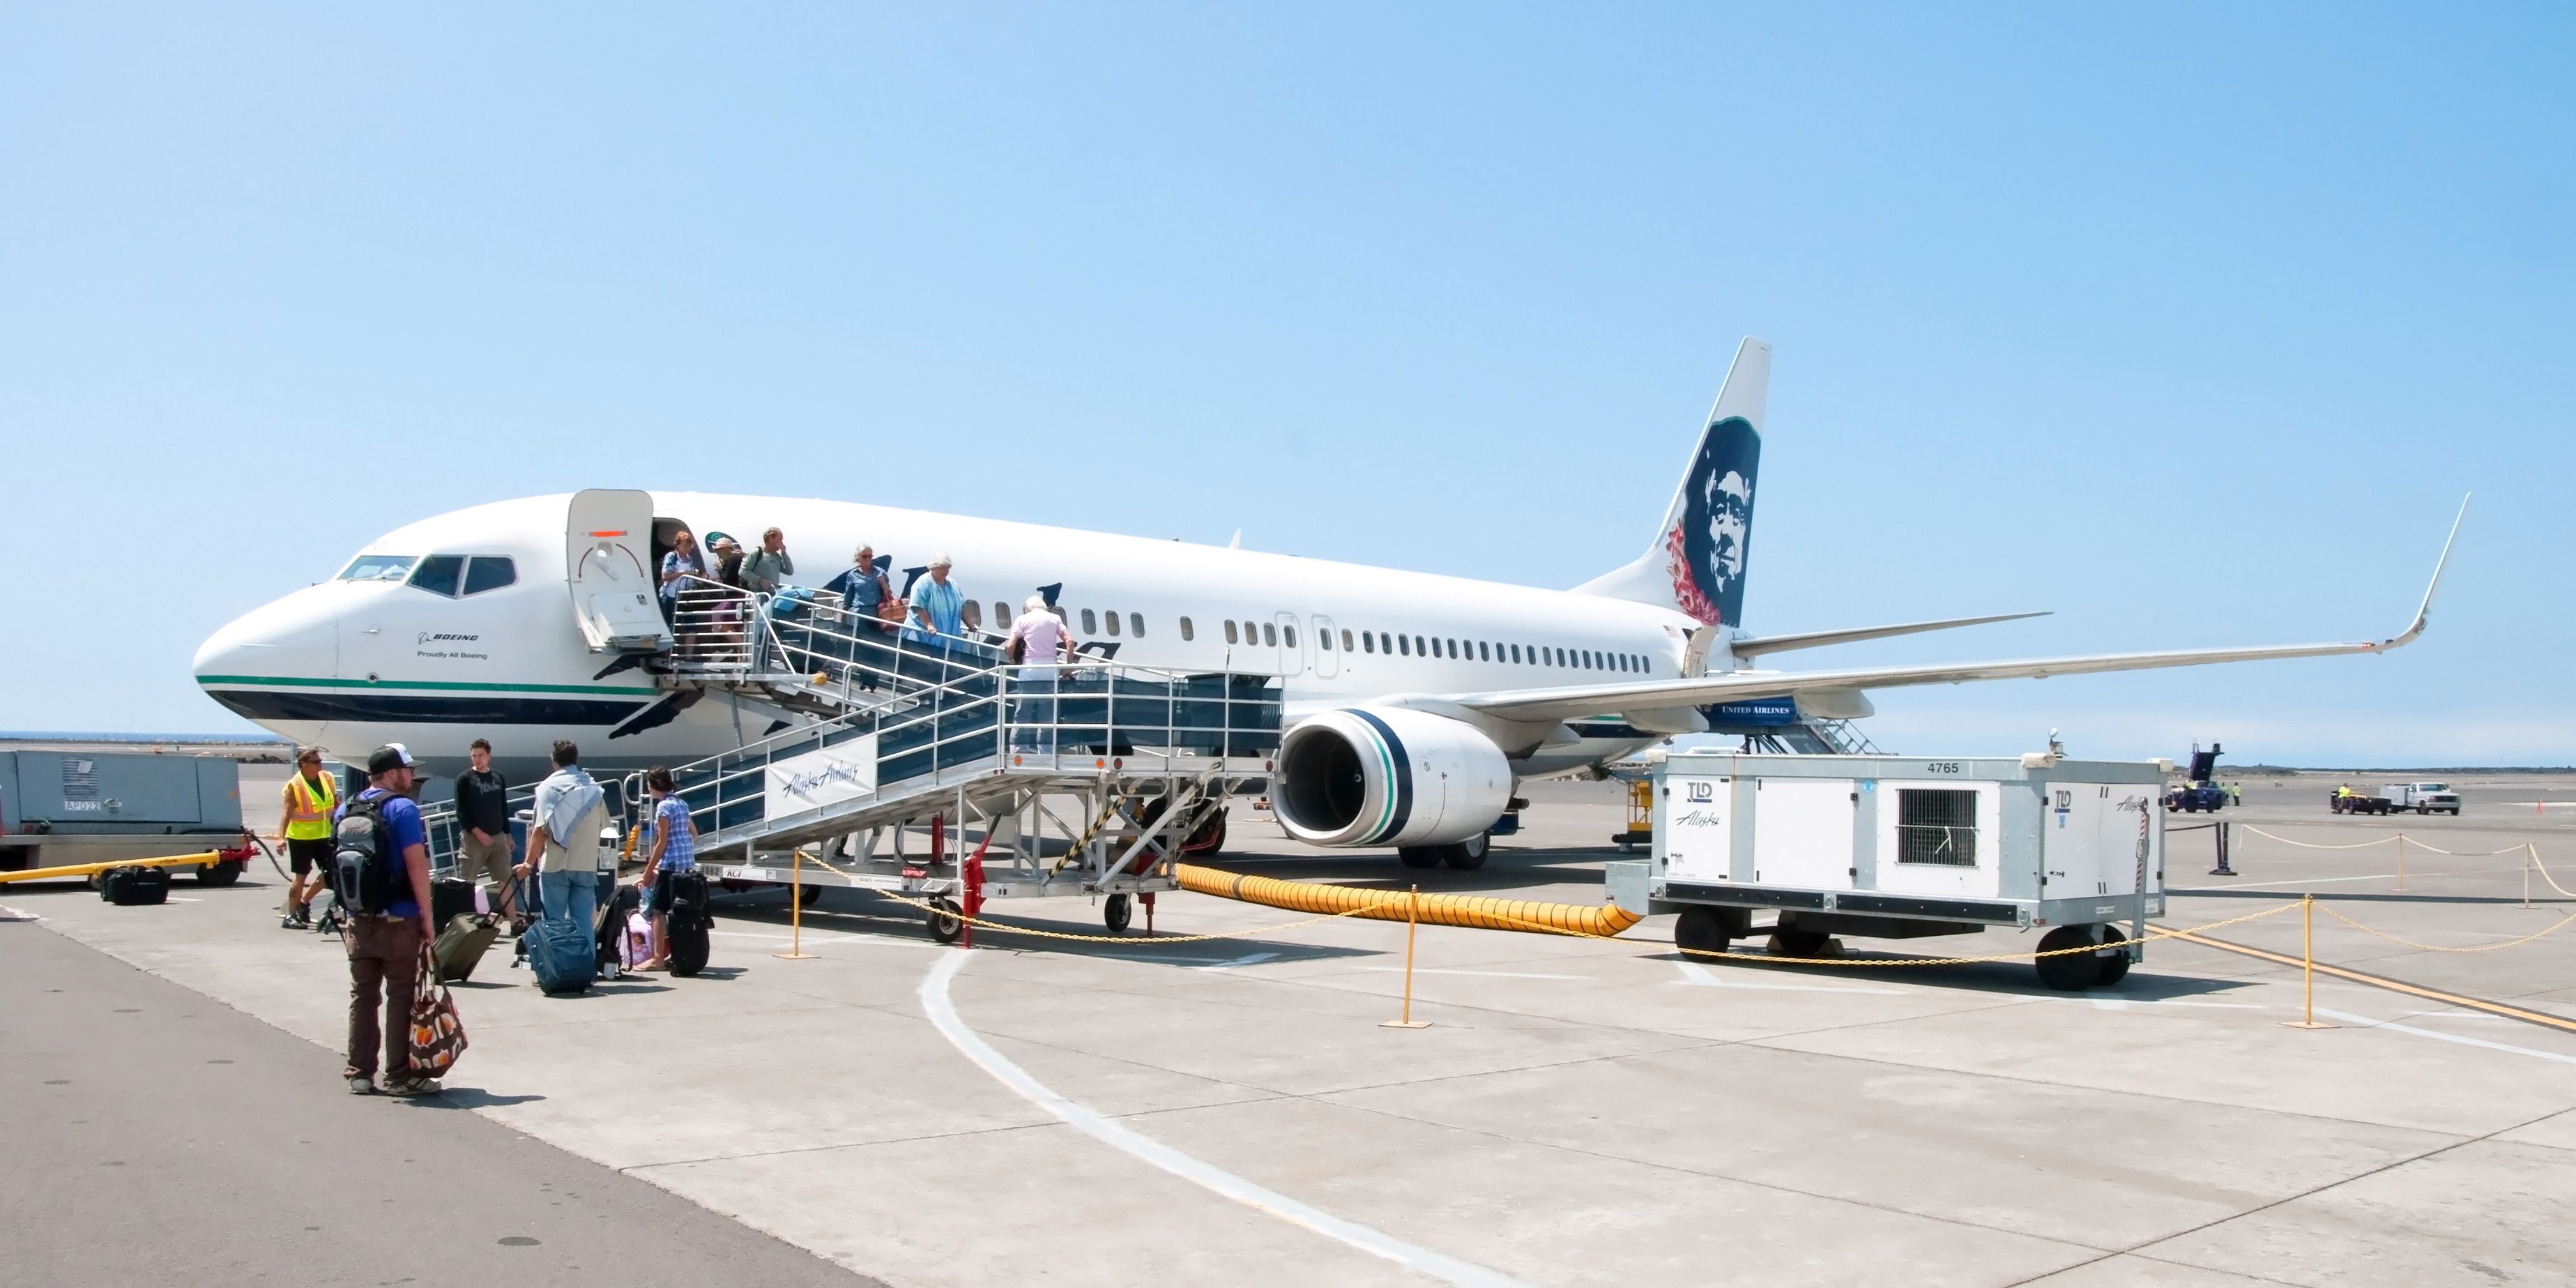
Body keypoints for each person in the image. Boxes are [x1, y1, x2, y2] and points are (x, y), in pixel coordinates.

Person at [338, 743, 439, 1096]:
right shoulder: (403, 809)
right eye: (408, 770)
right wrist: (428, 918)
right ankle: (399, 1076)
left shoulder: (345, 809)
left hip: (359, 919)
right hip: (399, 921)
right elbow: (417, 866)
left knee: (363, 995)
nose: (411, 776)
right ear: (393, 773)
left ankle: (360, 1073)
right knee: (400, 996)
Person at [514, 740, 608, 957]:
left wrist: (528, 863)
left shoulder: (547, 789)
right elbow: (603, 825)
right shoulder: (594, 791)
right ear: (576, 760)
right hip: (585, 864)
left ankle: (558, 968)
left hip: (555, 864)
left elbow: (540, 831)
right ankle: (586, 968)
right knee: (583, 920)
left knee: (554, 921)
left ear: (553, 762)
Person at [633, 766, 696, 971]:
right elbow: (693, 834)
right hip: (687, 864)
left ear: (654, 785)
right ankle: (681, 953)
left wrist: (649, 869)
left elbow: (662, 842)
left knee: (658, 911)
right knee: (680, 910)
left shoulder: (663, 808)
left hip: (670, 865)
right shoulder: (682, 804)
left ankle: (658, 958)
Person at [452, 738, 518, 926]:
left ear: (489, 755)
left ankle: (514, 922)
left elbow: (502, 806)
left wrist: (508, 834)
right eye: (474, 756)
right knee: (468, 882)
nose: (477, 759)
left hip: (498, 836)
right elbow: (461, 811)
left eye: (481, 755)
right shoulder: (464, 779)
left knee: (505, 880)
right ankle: (466, 924)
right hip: (474, 838)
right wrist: (478, 832)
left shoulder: (498, 776)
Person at [1005, 594, 1074, 750]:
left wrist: (1012, 658)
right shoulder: (1055, 619)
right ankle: (1046, 754)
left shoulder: (1022, 620)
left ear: (1028, 608)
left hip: (1029, 672)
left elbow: (1010, 646)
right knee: (1048, 719)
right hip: (1050, 673)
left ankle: (1019, 753)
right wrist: (1068, 668)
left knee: (1022, 716)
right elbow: (1069, 642)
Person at [276, 746, 336, 929]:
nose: (320, 764)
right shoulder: (295, 786)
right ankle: (291, 915)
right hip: (301, 838)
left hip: (324, 836)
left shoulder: (327, 778)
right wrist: (281, 838)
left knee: (332, 873)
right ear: (304, 764)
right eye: (316, 762)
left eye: (320, 761)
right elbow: (286, 813)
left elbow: (335, 802)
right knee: (301, 877)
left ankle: (305, 902)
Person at [822, 544, 897, 689]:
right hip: (859, 614)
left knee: (875, 649)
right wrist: (844, 614)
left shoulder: (880, 573)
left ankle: (871, 683)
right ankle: (864, 681)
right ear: (858, 559)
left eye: (871, 556)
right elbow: (848, 596)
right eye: (865, 557)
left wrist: (883, 583)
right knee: (862, 649)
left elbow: (889, 596)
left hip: (877, 616)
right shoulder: (853, 575)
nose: (869, 559)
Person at [659, 529, 708, 654]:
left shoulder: (690, 559)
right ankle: (667, 654)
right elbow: (665, 576)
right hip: (671, 595)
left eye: (690, 546)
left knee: (691, 625)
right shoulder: (672, 557)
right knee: (670, 624)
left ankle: (689, 656)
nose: (687, 548)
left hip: (687, 596)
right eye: (685, 546)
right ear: (678, 545)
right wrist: (682, 574)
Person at [740, 526, 794, 595]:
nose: (782, 542)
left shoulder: (776, 556)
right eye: (780, 539)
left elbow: (790, 571)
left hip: (772, 594)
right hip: (758, 594)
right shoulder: (757, 553)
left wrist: (784, 554)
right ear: (770, 538)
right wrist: (760, 580)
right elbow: (743, 571)